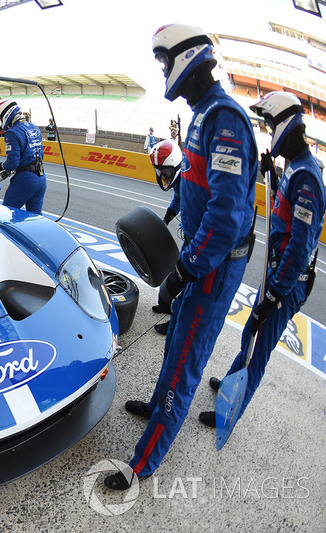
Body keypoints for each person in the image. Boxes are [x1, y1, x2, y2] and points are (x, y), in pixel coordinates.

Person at [105, 24, 258, 490]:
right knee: (174, 343)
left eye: (166, 62)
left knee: (187, 356)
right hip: (199, 257)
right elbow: (196, 186)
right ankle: (155, 406)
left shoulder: (225, 120)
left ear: (188, 59)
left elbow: (227, 217)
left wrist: (185, 270)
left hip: (212, 265)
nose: (164, 71)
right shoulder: (203, 115)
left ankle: (142, 463)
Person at [199, 92, 325, 428]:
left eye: (270, 123)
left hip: (286, 283)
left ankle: (230, 413)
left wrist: (273, 296)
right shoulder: (296, 167)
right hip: (276, 276)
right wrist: (272, 172)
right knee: (249, 336)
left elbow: (299, 248)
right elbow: (283, 211)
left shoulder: (308, 179)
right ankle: (230, 384)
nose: (268, 130)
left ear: (285, 124)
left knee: (258, 350)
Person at [148, 139, 184, 336]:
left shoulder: (191, 183)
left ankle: (176, 322)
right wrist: (167, 219)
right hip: (190, 236)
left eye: (166, 172)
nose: (163, 176)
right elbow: (177, 200)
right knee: (175, 276)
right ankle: (165, 304)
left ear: (176, 166)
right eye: (159, 171)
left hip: (198, 241)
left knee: (187, 281)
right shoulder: (181, 181)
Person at [0, 99, 47, 215]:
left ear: (5, 114)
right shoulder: (34, 128)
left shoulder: (12, 132)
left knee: (7, 214)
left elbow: (13, 163)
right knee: (35, 218)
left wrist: (2, 166)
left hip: (25, 180)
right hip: (41, 179)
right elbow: (41, 155)